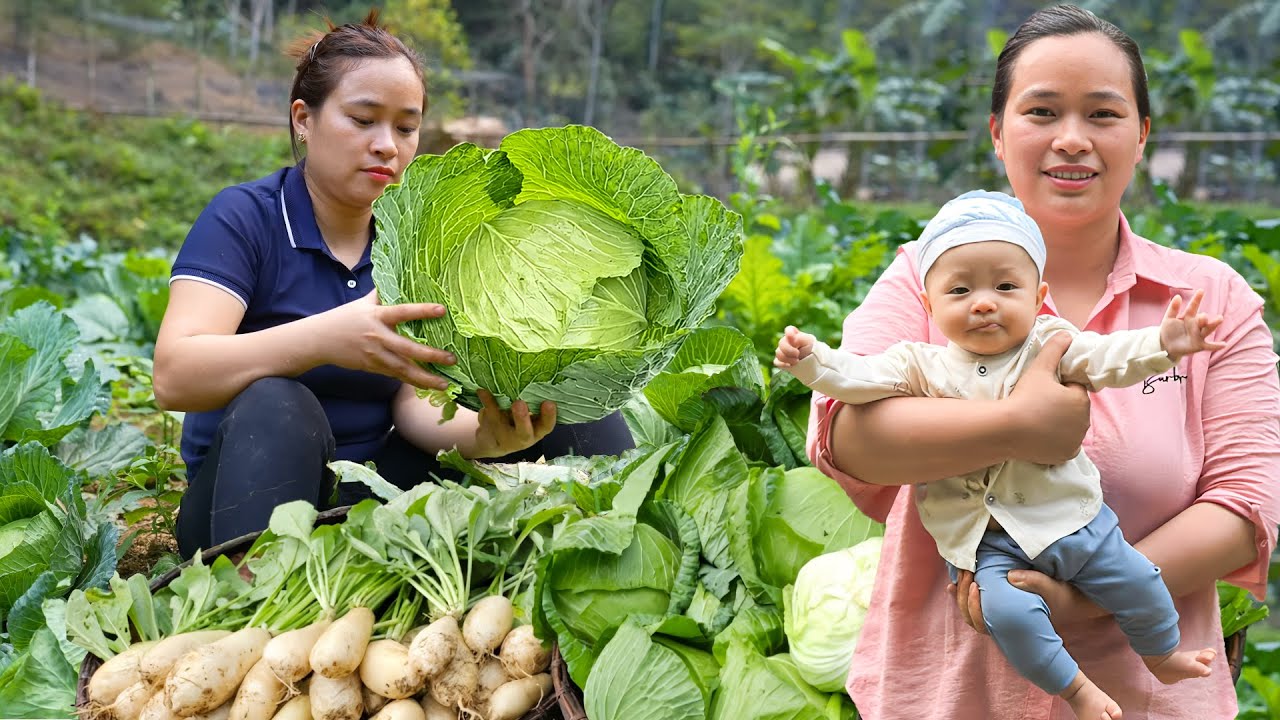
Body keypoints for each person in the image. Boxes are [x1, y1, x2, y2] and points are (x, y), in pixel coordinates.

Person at [805, 5, 1280, 719]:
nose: (1071, 139)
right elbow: (846, 437)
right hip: (948, 698)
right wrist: (1021, 427)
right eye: (1042, 111)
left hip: (1151, 700)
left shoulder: (1209, 300)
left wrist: (1084, 601)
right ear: (999, 133)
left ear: (1143, 134)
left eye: (1103, 114)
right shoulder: (923, 279)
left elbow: (1246, 507)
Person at [153, 11, 634, 560]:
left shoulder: (413, 243)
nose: (387, 145)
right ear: (303, 119)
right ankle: (255, 605)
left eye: (406, 128)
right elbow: (174, 375)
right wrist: (326, 338)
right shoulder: (246, 218)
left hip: (373, 498)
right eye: (363, 119)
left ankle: (628, 559)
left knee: (579, 393)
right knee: (279, 402)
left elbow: (414, 401)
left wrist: (487, 438)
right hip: (239, 504)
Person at [778, 190, 1221, 719]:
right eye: (960, 289)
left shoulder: (1052, 344)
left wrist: (1165, 344)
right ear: (929, 305)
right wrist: (811, 361)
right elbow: (854, 378)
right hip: (991, 547)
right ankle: (1077, 689)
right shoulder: (922, 365)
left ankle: (1163, 653)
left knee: (1140, 581)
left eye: (1006, 286)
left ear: (1038, 298)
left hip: (1076, 523)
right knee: (1007, 615)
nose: (984, 302)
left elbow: (1109, 357)